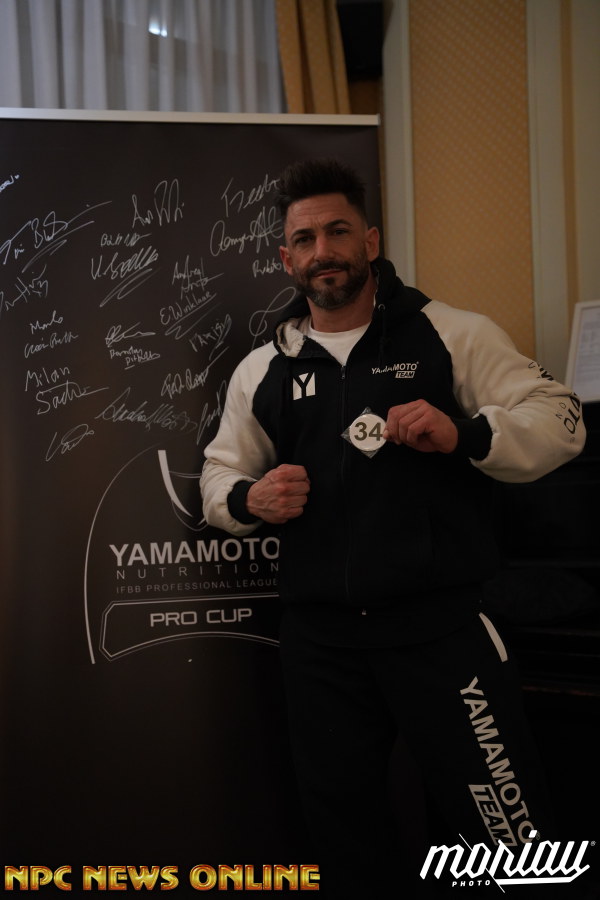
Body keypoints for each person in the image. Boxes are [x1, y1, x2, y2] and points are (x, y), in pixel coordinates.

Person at [200, 158, 586, 897]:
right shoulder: (262, 369)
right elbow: (221, 474)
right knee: (346, 840)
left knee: (511, 844)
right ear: (286, 259)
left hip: (442, 634)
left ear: (370, 241)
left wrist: (467, 434)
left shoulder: (452, 333)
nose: (323, 252)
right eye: (305, 239)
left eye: (338, 231)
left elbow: (562, 420)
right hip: (322, 649)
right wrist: (251, 499)